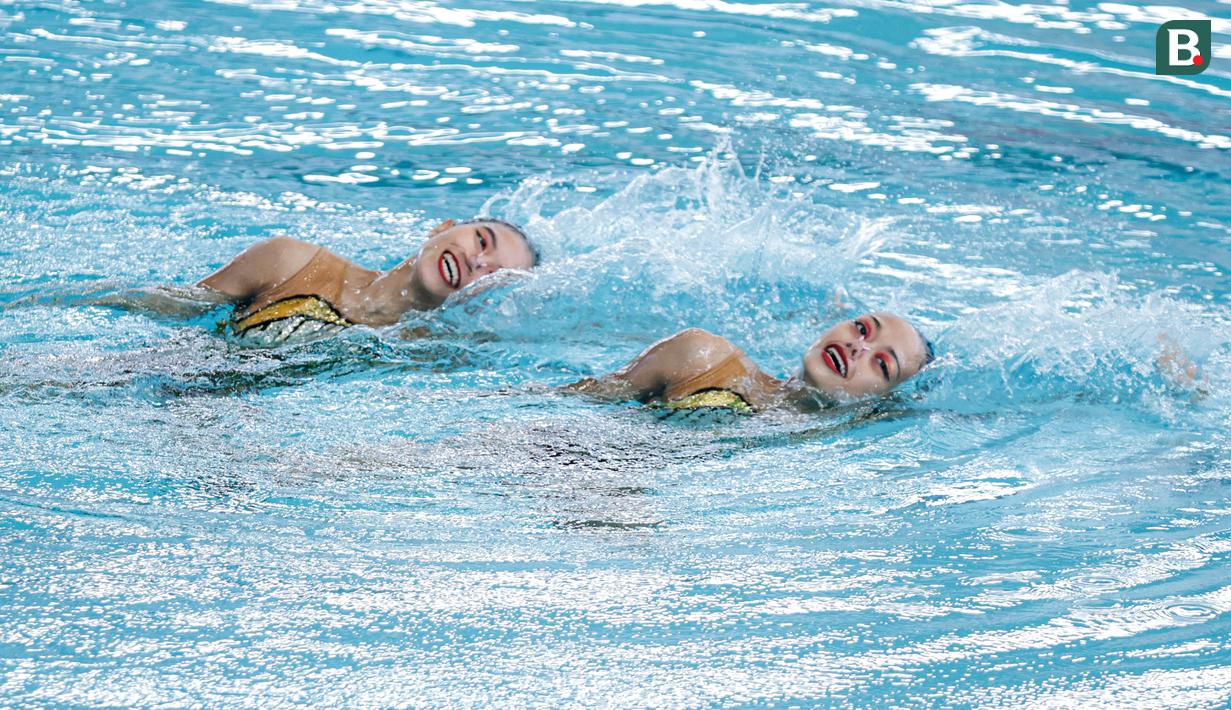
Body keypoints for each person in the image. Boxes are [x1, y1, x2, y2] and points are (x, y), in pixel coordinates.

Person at [197, 218, 536, 343]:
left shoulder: (430, 355)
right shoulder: (289, 262)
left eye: (494, 274)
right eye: (481, 241)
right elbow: (173, 309)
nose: (478, 261)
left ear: (482, 300)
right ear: (443, 228)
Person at [567, 312, 936, 413]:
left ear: (883, 399)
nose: (858, 347)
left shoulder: (841, 437)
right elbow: (575, 401)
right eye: (862, 328)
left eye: (882, 365)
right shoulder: (705, 357)